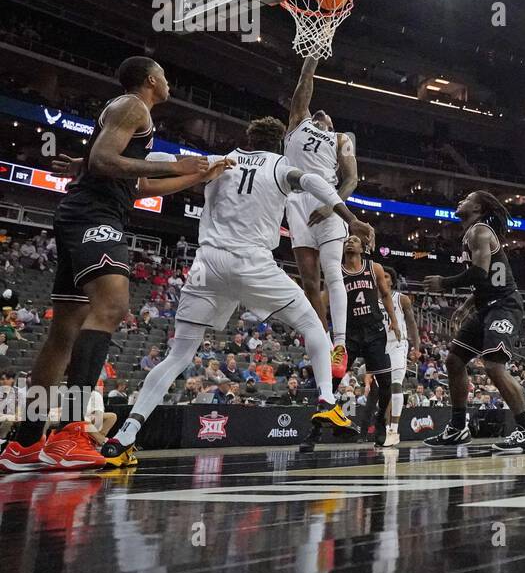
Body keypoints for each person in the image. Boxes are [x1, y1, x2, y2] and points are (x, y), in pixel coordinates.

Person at [99, 116, 374, 467]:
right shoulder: (281, 166)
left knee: (178, 356)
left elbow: (164, 163)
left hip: (207, 265)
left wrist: (96, 164)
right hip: (251, 263)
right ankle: (326, 401)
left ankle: (123, 438)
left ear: (248, 135)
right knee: (312, 326)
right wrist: (350, 218)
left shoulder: (218, 161)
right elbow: (313, 181)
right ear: (279, 142)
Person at [0, 57, 215, 472]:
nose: (169, 83)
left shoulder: (132, 116)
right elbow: (102, 160)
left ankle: (25, 439)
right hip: (94, 216)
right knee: (113, 306)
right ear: (152, 80)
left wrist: (195, 176)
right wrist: (174, 163)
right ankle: (69, 432)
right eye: (166, 77)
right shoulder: (132, 106)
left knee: (64, 332)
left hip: (87, 212)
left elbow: (140, 184)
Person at [422, 191, 525, 453]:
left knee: (494, 367)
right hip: (486, 306)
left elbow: (478, 273)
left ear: (478, 208)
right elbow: (484, 280)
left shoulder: (480, 231)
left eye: (466, 199)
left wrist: (444, 283)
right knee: (453, 360)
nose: (460, 200)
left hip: (504, 306)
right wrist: (466, 305)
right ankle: (457, 427)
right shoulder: (471, 233)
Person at [283, 55, 357, 380]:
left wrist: (332, 204)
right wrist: (312, 56)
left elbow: (352, 179)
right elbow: (303, 84)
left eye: (327, 114)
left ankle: (340, 343)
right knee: (310, 282)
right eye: (318, 110)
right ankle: (323, 341)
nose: (322, 111)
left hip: (327, 202)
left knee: (332, 274)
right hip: (296, 204)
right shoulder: (298, 122)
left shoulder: (343, 139)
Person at [339, 238, 399, 447]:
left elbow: (385, 294)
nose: (350, 242)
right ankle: (319, 426)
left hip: (374, 331)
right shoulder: (337, 270)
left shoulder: (374, 267)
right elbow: (328, 298)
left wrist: (394, 321)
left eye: (354, 240)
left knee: (385, 383)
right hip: (349, 332)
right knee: (332, 377)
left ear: (363, 248)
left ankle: (380, 422)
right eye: (347, 240)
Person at [377, 266, 418, 448]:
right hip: (379, 347)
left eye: (386, 277)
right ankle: (385, 428)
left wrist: (416, 347)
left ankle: (394, 429)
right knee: (384, 390)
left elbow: (412, 324)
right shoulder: (371, 301)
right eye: (380, 276)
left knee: (395, 384)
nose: (383, 279)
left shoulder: (401, 299)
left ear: (392, 281)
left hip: (398, 344)